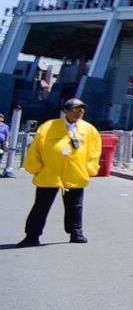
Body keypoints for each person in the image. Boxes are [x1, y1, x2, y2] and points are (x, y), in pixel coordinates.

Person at [19, 98, 102, 246]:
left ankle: (76, 232)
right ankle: (32, 235)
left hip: (75, 173)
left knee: (75, 206)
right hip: (50, 173)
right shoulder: (48, 127)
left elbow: (94, 151)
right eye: (75, 110)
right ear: (66, 111)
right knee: (41, 206)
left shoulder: (89, 130)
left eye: (81, 111)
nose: (79, 114)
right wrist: (36, 168)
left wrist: (90, 168)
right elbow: (35, 149)